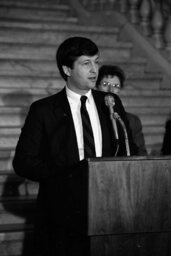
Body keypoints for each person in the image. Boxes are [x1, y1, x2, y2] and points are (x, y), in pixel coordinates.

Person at [12, 37, 138, 256]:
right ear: (67, 69)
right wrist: (67, 177)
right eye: (85, 63)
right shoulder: (43, 110)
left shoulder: (110, 102)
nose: (94, 70)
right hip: (62, 211)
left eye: (96, 62)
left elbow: (129, 149)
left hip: (108, 205)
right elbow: (23, 162)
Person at [96, 64, 147, 156]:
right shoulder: (91, 117)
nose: (110, 90)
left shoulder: (132, 120)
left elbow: (141, 153)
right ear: (96, 87)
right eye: (105, 84)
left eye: (116, 86)